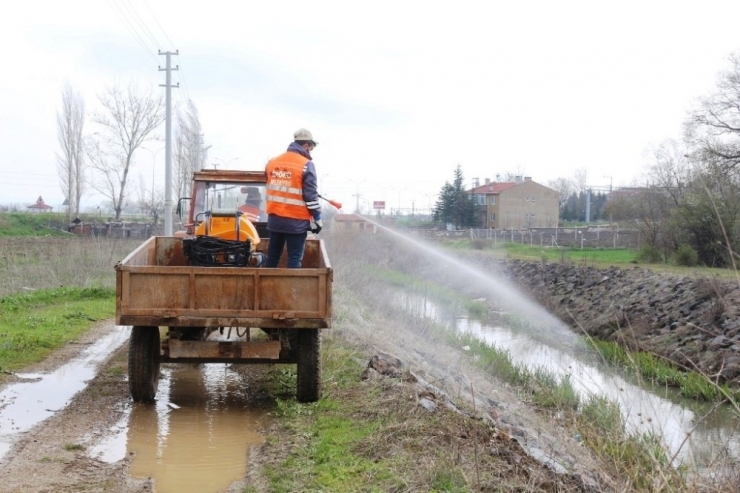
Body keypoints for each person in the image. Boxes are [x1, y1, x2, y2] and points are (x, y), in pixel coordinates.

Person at [264, 128, 323, 268]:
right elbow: (310, 197)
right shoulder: (306, 165)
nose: (310, 152)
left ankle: (266, 289)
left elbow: (272, 183)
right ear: (306, 145)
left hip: (275, 220)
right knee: (294, 259)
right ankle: (291, 290)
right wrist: (318, 219)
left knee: (272, 258)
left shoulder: (272, 162)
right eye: (311, 148)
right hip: (296, 223)